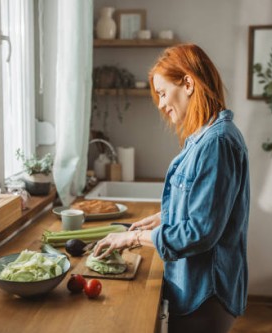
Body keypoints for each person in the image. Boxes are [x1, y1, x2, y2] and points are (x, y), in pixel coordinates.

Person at [93, 43, 250, 333]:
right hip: (195, 286)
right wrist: (165, 217)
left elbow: (201, 232)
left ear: (188, 83)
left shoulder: (216, 143)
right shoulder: (203, 138)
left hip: (205, 290)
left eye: (163, 93)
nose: (162, 105)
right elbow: (203, 209)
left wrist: (135, 238)